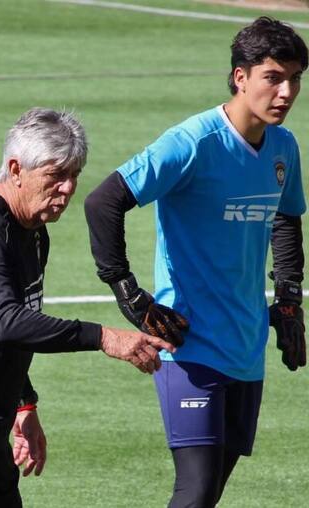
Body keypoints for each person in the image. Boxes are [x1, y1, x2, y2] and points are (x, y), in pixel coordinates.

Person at [0, 107, 177, 507]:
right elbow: (4, 323)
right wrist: (103, 337)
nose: (67, 188)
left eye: (74, 175)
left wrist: (24, 404)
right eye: (55, 176)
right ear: (15, 169)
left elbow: (15, 324)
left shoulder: (33, 230)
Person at [84, 17, 307, 507]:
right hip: (188, 345)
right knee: (196, 489)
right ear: (240, 76)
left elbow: (286, 219)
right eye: (273, 77)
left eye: (295, 78)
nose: (287, 91)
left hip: (245, 346)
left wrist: (289, 300)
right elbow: (103, 202)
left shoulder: (283, 147)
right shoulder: (193, 142)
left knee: (208, 494)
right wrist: (129, 293)